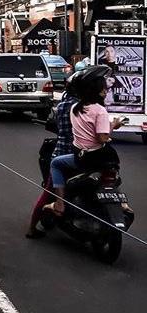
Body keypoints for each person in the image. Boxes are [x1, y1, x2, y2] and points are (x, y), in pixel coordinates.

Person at [45, 65, 125, 215]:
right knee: (113, 171)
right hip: (98, 159)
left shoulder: (74, 108)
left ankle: (59, 203)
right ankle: (124, 204)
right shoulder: (100, 111)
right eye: (104, 88)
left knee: (55, 163)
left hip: (80, 158)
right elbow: (102, 138)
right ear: (97, 91)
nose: (106, 91)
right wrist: (113, 125)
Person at [26, 75, 79, 239]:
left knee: (50, 190)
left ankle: (32, 227)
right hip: (74, 154)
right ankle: (32, 227)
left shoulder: (63, 105)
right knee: (49, 192)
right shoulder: (80, 107)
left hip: (63, 151)